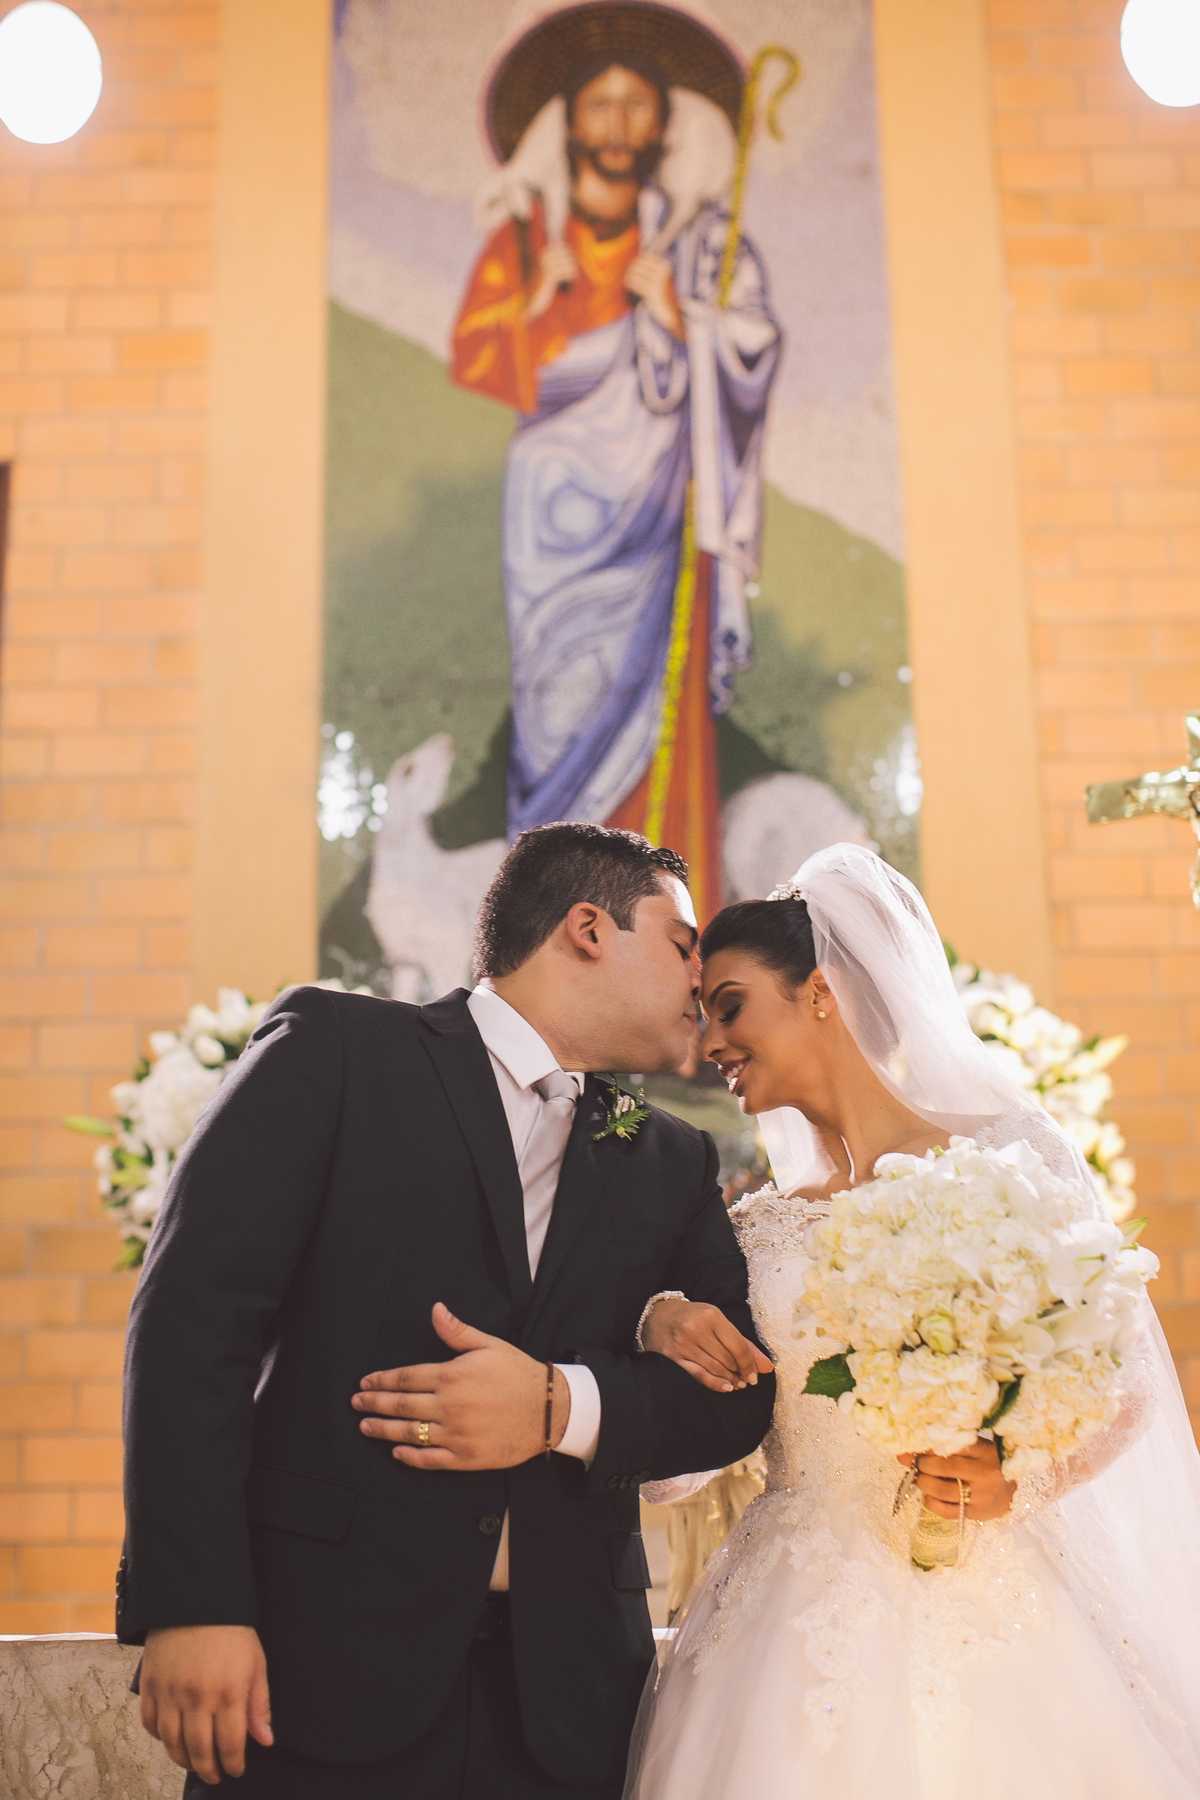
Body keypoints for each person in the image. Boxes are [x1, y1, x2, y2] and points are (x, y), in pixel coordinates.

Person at [118, 823, 775, 1798]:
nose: (700, 978)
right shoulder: (337, 1052)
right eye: (683, 945)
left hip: (567, 1708)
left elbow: (738, 1396)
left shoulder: (669, 1156)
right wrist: (193, 1605)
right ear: (588, 929)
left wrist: (561, 1407)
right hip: (316, 1672)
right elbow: (191, 1325)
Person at [627, 843, 1200, 1799]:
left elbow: (1128, 1378)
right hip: (786, 1614)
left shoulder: (1006, 1155)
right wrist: (656, 1327)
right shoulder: (751, 1229)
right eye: (702, 1016)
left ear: (819, 992)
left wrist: (1014, 1479)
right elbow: (686, 1456)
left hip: (996, 1597)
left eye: (729, 1005)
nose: (709, 1043)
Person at [453, 35, 780, 915]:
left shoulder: (697, 241)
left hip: (655, 510)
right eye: (599, 105)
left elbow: (748, 345)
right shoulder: (526, 238)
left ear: (664, 126)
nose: (617, 125)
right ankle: (555, 926)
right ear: (567, 123)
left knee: (655, 696)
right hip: (551, 519)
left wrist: (679, 319)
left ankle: (666, 926)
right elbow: (478, 358)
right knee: (556, 707)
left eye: (637, 105)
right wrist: (536, 303)